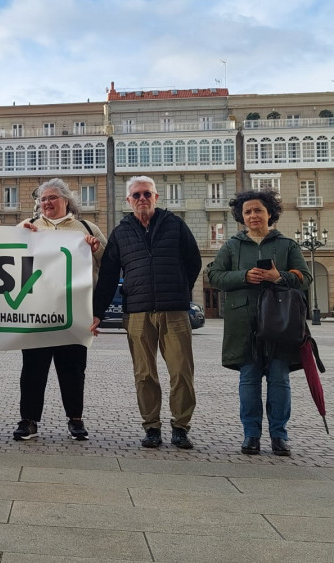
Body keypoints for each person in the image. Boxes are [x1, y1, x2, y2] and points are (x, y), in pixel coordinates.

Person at [92, 176, 202, 450]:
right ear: (128, 201)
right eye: (136, 195)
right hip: (138, 313)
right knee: (144, 374)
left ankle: (180, 427)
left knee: (181, 373)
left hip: (174, 312)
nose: (142, 199)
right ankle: (151, 427)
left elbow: (193, 262)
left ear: (156, 197)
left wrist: (179, 291)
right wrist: (97, 313)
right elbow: (107, 277)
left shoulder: (175, 225)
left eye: (146, 194)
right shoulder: (121, 232)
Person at [207, 189, 311, 457]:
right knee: (249, 381)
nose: (253, 215)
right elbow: (215, 276)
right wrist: (244, 276)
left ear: (269, 214)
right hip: (243, 324)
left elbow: (305, 277)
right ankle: (251, 435)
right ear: (241, 217)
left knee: (279, 381)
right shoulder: (232, 246)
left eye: (258, 210)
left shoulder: (287, 245)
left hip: (280, 324)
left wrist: (279, 277)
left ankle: (279, 436)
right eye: (248, 212)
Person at [14, 178, 106, 442]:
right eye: (43, 199)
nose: (47, 203)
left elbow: (108, 263)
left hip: (73, 313)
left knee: (73, 369)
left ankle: (75, 419)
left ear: (67, 200)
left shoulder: (86, 228)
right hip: (36, 313)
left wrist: (95, 249)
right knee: (32, 369)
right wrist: (21, 235)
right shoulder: (28, 227)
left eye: (52, 197)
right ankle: (28, 420)